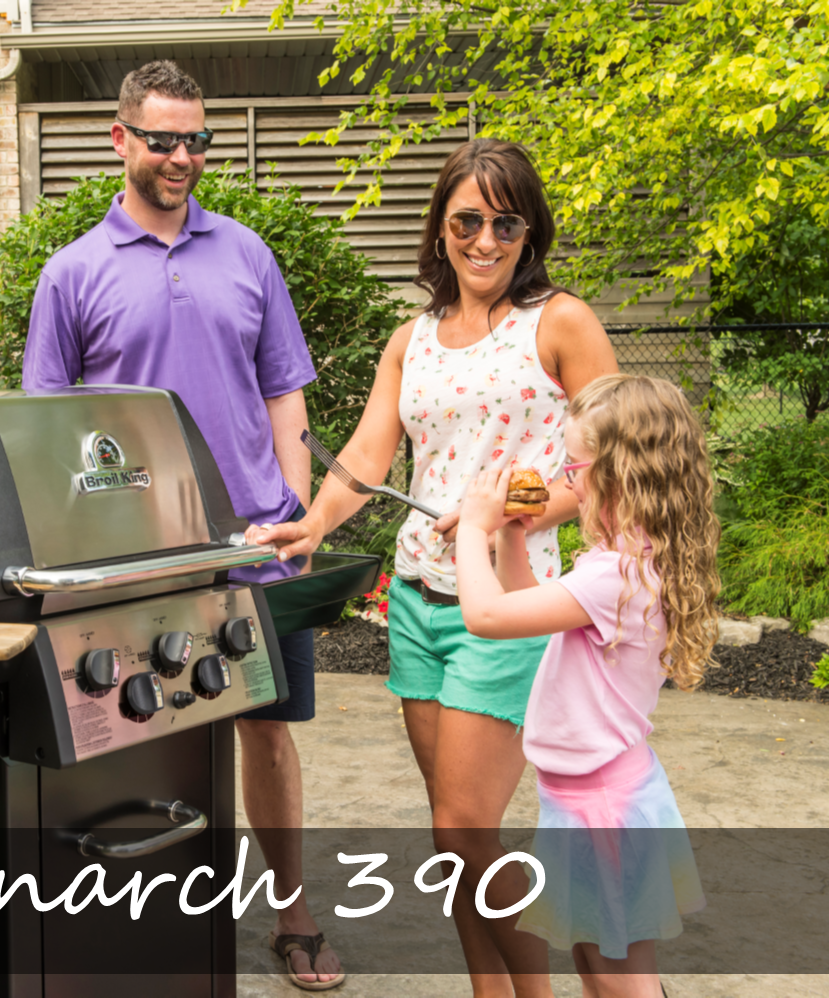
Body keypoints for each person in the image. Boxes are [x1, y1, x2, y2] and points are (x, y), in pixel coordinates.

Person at [247, 138, 618, 997]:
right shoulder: (410, 339)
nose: (485, 240)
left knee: (465, 827)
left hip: (511, 604)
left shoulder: (561, 321)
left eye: (506, 223)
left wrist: (505, 509)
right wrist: (312, 524)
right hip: (416, 603)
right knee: (451, 836)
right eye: (467, 221)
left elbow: (608, 460)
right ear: (440, 229)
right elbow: (368, 455)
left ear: (530, 232)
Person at [20, 60, 343, 990]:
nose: (182, 156)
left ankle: (293, 915)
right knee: (145, 734)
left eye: (197, 139)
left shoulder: (247, 253)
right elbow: (49, 431)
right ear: (120, 139)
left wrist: (294, 511)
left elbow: (285, 392)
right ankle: (159, 927)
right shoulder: (72, 273)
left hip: (254, 545)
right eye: (162, 139)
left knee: (267, 733)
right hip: (142, 559)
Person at [452, 373, 717, 998]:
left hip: (604, 809)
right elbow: (524, 602)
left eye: (573, 466)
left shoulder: (616, 575)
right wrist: (510, 533)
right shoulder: (623, 563)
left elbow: (485, 616)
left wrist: (471, 527)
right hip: (586, 800)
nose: (565, 481)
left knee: (619, 977)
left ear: (619, 476)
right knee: (597, 964)